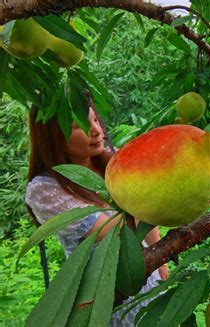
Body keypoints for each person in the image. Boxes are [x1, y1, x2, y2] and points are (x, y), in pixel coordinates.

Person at [24, 105, 168, 326]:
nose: (96, 130)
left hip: (149, 277)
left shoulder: (113, 161)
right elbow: (116, 229)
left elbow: (146, 220)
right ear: (53, 135)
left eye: (95, 120)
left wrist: (162, 266)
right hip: (105, 295)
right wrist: (149, 198)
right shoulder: (44, 189)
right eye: (80, 125)